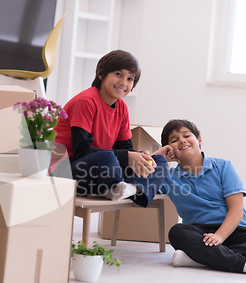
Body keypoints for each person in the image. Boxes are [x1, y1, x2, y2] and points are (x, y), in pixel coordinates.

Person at [157, 119, 246, 279]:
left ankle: (199, 259)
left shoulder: (223, 166)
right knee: (177, 232)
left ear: (199, 140)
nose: (182, 140)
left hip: (235, 230)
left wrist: (220, 236)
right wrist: (158, 157)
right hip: (200, 233)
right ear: (170, 150)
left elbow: (236, 210)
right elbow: (139, 177)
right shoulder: (167, 177)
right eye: (174, 140)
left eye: (186, 135)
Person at [54, 50, 173, 207]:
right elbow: (82, 151)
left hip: (100, 170)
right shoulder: (85, 101)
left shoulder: (122, 108)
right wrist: (129, 157)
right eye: (118, 74)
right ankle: (124, 187)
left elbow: (125, 149)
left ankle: (127, 188)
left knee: (159, 162)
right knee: (107, 158)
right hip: (67, 168)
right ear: (101, 75)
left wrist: (144, 158)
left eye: (130, 78)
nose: (124, 82)